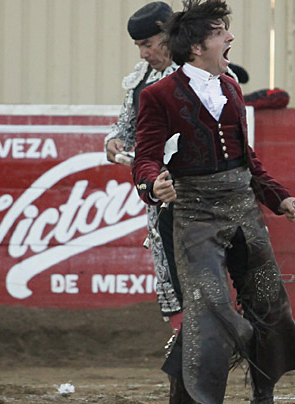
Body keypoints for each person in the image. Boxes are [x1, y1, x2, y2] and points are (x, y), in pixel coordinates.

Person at [131, 0, 295, 404]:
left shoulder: (231, 88)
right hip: (194, 219)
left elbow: (247, 160)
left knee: (270, 306)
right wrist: (154, 184)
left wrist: (279, 197)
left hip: (245, 216)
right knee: (206, 311)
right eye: (219, 32)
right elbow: (145, 158)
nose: (229, 37)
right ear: (197, 47)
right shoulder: (158, 95)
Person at [104, 2, 184, 328]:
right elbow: (126, 124)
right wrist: (114, 140)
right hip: (155, 186)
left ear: (168, 35)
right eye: (139, 46)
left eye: (147, 44)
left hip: (196, 185)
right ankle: (183, 334)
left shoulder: (197, 69)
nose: (143, 54)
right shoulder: (142, 77)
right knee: (165, 259)